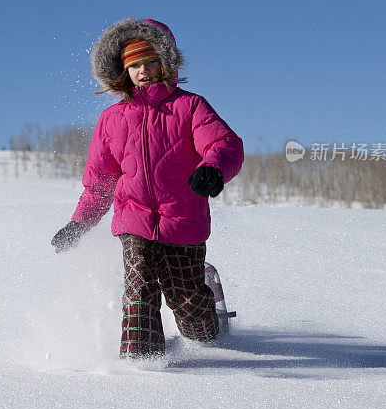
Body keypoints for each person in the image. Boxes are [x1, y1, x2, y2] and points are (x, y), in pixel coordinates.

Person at [51, 18, 244, 358]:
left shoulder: (190, 106)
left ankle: (209, 320)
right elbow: (100, 182)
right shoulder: (112, 119)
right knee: (139, 292)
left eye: (151, 61)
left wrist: (213, 169)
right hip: (133, 220)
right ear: (123, 72)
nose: (144, 70)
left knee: (186, 301)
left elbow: (224, 143)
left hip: (183, 219)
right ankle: (139, 364)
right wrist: (80, 223)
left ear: (166, 63)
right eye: (135, 65)